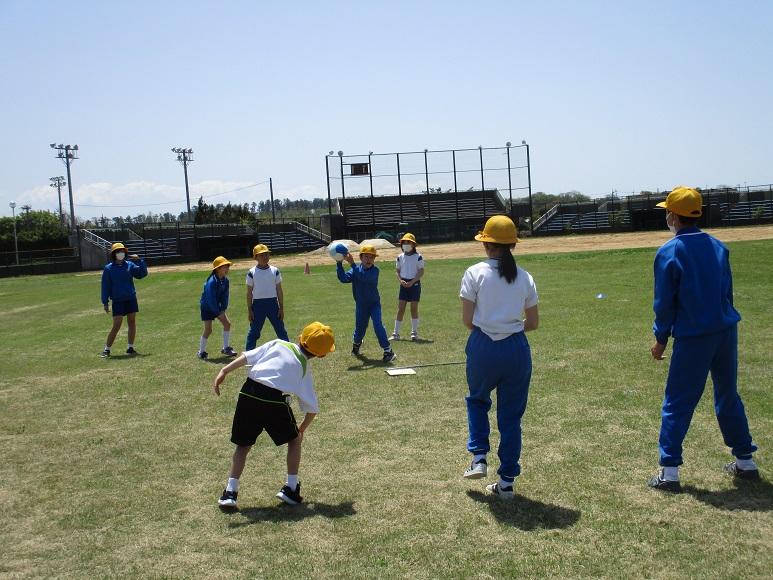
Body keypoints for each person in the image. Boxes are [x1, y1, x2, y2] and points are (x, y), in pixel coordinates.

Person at [647, 186, 759, 493]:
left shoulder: (669, 251)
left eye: (667, 212)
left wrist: (660, 339)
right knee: (728, 395)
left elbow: (664, 304)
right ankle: (746, 460)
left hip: (694, 336)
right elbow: (727, 292)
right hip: (725, 331)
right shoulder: (718, 246)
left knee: (678, 400)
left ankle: (669, 472)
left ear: (673, 216)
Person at [214, 322, 335, 509]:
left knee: (243, 446)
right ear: (321, 355)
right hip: (274, 401)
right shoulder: (304, 368)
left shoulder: (278, 343)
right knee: (294, 440)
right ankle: (291, 488)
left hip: (248, 394)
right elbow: (312, 409)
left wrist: (224, 370)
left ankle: (230, 492)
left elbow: (247, 357)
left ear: (301, 336)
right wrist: (301, 429)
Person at [459, 215, 538, 499]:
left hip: (483, 345)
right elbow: (533, 323)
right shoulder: (525, 277)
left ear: (486, 244)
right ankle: (506, 483)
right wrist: (510, 329)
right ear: (513, 245)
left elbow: (468, 321)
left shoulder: (474, 273)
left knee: (477, 401)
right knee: (511, 417)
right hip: (516, 349)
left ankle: (479, 457)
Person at [336, 244, 397, 363]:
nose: (369, 259)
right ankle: (356, 345)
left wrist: (352, 264)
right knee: (360, 328)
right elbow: (343, 278)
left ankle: (388, 351)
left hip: (374, 304)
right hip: (361, 305)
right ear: (361, 258)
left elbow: (364, 277)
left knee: (378, 325)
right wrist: (339, 263)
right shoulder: (355, 270)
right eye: (366, 257)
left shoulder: (375, 271)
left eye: (372, 257)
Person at [100, 242, 148, 357]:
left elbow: (142, 274)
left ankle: (130, 347)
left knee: (132, 322)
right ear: (114, 254)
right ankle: (106, 349)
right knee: (117, 325)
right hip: (118, 300)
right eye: (118, 251)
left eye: (122, 251)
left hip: (130, 298)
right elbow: (105, 286)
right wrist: (105, 302)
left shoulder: (130, 265)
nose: (120, 253)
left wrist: (139, 261)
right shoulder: (108, 268)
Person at [245, 244, 289, 350]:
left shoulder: (275, 270)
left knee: (281, 330)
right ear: (255, 257)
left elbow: (279, 290)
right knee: (254, 332)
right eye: (261, 255)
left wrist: (281, 308)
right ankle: (249, 354)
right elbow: (249, 293)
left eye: (266, 254)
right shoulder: (251, 272)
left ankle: (289, 351)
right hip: (258, 306)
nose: (265, 257)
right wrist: (250, 310)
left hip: (273, 304)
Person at [198, 256, 237, 360]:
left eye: (228, 266)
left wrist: (223, 308)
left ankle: (226, 348)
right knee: (208, 330)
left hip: (216, 307)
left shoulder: (225, 280)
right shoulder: (212, 282)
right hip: (207, 307)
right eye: (225, 266)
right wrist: (218, 312)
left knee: (227, 324)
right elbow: (210, 299)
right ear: (217, 269)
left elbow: (225, 296)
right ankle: (201, 352)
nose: (227, 268)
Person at [390, 233, 425, 342]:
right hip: (403, 284)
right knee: (401, 309)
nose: (406, 244)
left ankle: (414, 333)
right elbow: (397, 271)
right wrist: (400, 280)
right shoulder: (400, 257)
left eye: (409, 242)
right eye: (404, 242)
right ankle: (395, 333)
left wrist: (412, 282)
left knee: (413, 309)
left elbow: (421, 271)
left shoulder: (418, 257)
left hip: (415, 284)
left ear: (413, 245)